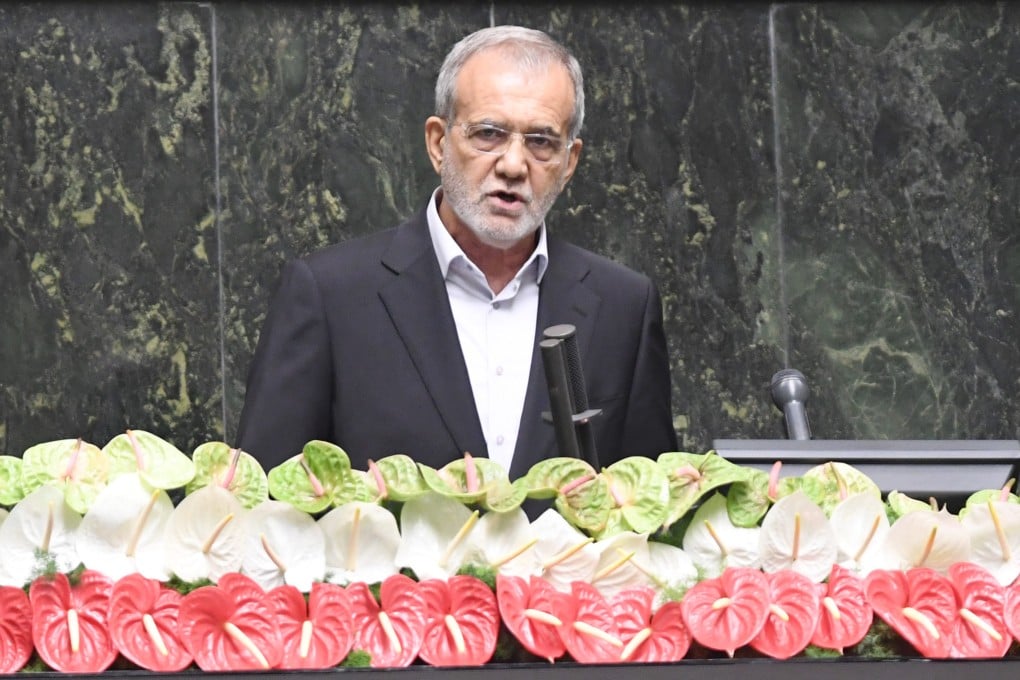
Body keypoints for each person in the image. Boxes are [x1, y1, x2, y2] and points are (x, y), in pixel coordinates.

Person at [236, 25, 677, 481]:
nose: (512, 165)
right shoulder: (330, 295)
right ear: (438, 143)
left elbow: (651, 513)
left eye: (541, 142)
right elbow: (266, 499)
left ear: (569, 163)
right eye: (488, 133)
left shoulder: (625, 305)